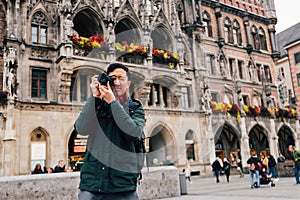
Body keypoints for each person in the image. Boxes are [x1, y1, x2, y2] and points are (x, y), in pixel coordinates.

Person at [75, 63, 145, 200]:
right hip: (92, 184)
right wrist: (94, 97)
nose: (117, 82)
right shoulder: (97, 106)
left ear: (128, 83)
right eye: (113, 78)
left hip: (122, 185)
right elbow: (81, 128)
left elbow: (133, 132)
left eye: (121, 78)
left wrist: (113, 102)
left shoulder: (135, 108)